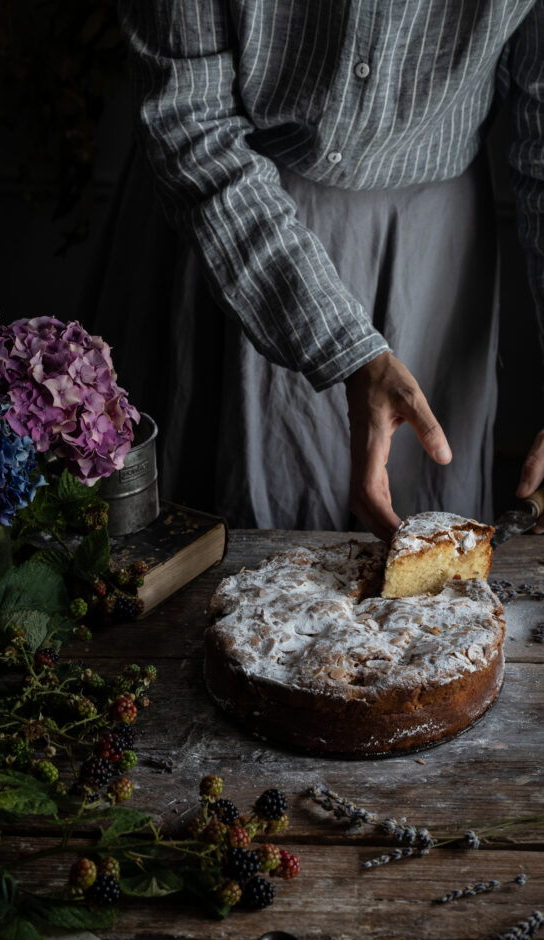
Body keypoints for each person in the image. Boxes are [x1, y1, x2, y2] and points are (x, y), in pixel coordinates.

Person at [91, 0, 543, 540]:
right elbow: (188, 118)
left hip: (433, 256)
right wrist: (346, 349)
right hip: (231, 222)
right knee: (226, 554)